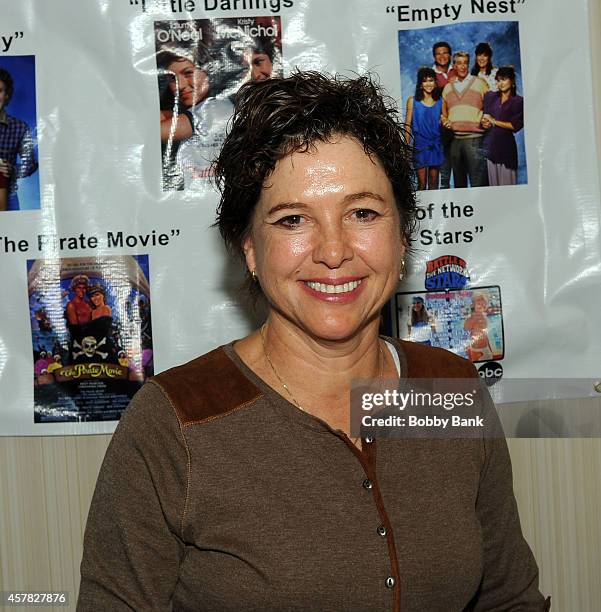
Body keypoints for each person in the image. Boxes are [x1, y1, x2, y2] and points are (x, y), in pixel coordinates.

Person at [78, 72, 549, 611]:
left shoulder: (451, 390)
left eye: (363, 213)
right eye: (293, 219)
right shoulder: (177, 422)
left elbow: (509, 598)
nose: (332, 250)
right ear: (250, 248)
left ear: (402, 236)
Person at [157, 47, 234, 189]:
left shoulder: (211, 109)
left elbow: (156, 132)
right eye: (172, 79)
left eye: (188, 73)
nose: (179, 86)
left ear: (209, 71)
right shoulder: (221, 104)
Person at [441, 51, 489, 188]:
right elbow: (443, 114)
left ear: (468, 64)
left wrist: (487, 119)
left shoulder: (480, 83)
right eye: (459, 63)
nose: (462, 66)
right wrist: (445, 120)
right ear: (454, 65)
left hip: (475, 139)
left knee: (479, 183)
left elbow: (491, 108)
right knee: (459, 184)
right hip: (454, 141)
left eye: (465, 63)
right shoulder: (448, 87)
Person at [0, 67, 38, 211]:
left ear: (7, 95)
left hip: (8, 197)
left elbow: (31, 163)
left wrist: (12, 169)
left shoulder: (20, 128)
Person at [482, 65, 524, 186]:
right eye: (498, 80)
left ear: (512, 81)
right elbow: (485, 117)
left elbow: (515, 126)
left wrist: (494, 121)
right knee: (493, 188)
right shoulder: (491, 97)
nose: (501, 83)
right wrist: (485, 122)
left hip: (506, 149)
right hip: (491, 149)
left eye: (504, 79)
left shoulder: (518, 101)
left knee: (507, 187)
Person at [405, 67, 444, 190]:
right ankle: (421, 209)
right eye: (425, 81)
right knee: (421, 184)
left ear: (435, 82)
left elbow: (444, 120)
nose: (428, 84)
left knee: (434, 183)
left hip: (436, 144)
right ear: (420, 84)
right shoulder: (413, 101)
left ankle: (435, 208)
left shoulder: (440, 101)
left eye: (431, 80)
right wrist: (406, 146)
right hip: (420, 144)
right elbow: (407, 125)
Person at [431, 42, 455, 189]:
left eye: (445, 52)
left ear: (450, 55)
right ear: (434, 56)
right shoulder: (430, 75)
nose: (442, 56)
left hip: (459, 124)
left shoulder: (457, 70)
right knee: (443, 164)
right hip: (440, 126)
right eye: (438, 53)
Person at [463, 291, 495, 361]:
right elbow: (466, 331)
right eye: (478, 302)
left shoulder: (483, 316)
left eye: (483, 303)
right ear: (472, 305)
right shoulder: (471, 318)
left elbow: (485, 331)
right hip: (477, 351)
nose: (481, 305)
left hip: (486, 348)